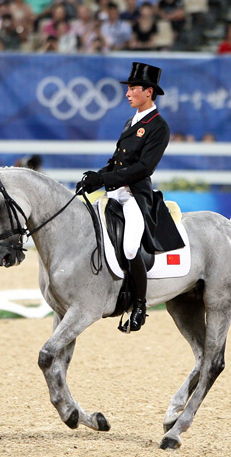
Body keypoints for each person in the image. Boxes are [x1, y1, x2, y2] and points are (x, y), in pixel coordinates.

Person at [75, 62, 184, 333]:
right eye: (129, 88)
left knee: (131, 247)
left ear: (149, 92)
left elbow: (143, 168)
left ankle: (139, 305)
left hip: (136, 195)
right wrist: (96, 178)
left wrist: (106, 180)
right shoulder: (131, 121)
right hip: (115, 193)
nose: (128, 93)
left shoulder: (159, 126)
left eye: (133, 88)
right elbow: (117, 162)